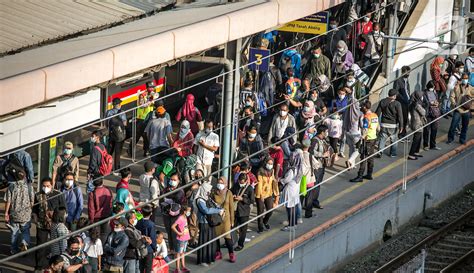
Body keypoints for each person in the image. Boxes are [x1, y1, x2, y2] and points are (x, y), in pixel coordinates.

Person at [32, 177, 66, 270]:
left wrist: (56, 216)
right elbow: (35, 208)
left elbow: (64, 209)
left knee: (57, 246)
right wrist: (34, 216)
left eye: (48, 186)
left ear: (52, 185)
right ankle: (38, 267)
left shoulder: (58, 194)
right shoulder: (38, 195)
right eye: (44, 186)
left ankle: (57, 266)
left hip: (55, 225)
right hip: (41, 225)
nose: (46, 187)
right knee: (40, 246)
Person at [4, 168, 34, 254]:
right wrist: (30, 210)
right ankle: (24, 243)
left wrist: (6, 213)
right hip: (26, 214)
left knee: (14, 232)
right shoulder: (29, 187)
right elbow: (32, 201)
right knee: (25, 231)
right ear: (24, 177)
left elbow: (8, 201)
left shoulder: (11, 187)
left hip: (14, 214)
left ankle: (13, 249)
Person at [194, 182, 224, 266]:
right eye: (207, 191)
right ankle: (202, 260)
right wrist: (218, 211)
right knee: (204, 241)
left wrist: (219, 208)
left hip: (210, 223)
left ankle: (209, 258)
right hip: (203, 223)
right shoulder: (200, 200)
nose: (209, 192)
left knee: (210, 241)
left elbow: (213, 206)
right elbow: (206, 210)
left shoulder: (207, 198)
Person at [350, 101, 379, 182]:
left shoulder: (366, 117)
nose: (360, 108)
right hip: (373, 138)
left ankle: (360, 176)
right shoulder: (375, 115)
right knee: (370, 157)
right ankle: (369, 174)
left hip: (367, 140)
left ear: (365, 107)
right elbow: (378, 128)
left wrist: (361, 139)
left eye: (361, 107)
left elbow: (365, 130)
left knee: (363, 158)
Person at [160, 174, 186, 254]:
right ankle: (171, 249)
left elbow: (179, 201)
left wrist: (170, 200)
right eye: (171, 179)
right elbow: (160, 200)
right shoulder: (165, 190)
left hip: (176, 215)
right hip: (166, 214)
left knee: (175, 233)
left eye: (175, 180)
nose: (172, 181)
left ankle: (176, 250)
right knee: (169, 232)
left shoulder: (180, 191)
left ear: (178, 181)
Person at [213, 177, 236, 263]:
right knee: (216, 237)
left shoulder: (228, 193)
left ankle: (231, 254)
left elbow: (231, 207)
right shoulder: (214, 192)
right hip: (217, 218)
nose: (220, 184)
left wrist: (232, 220)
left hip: (226, 219)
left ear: (225, 183)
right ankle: (218, 252)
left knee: (228, 238)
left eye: (222, 183)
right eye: (218, 182)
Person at [375, 89, 403, 158]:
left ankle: (380, 151)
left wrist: (375, 123)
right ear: (393, 96)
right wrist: (401, 126)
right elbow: (400, 116)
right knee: (394, 139)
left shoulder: (382, 101)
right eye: (395, 95)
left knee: (382, 138)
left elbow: (377, 113)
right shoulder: (397, 103)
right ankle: (393, 153)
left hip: (383, 124)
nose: (396, 96)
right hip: (393, 125)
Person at [448, 73, 473, 144]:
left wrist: (471, 107)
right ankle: (450, 139)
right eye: (464, 78)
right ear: (461, 79)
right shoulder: (456, 87)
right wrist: (454, 104)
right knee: (453, 125)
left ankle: (462, 140)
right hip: (458, 110)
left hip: (466, 111)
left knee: (465, 127)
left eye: (466, 78)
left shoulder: (470, 87)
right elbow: (451, 97)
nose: (465, 80)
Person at [255, 157, 279, 233]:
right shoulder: (260, 172)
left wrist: (276, 195)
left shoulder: (272, 171)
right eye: (269, 163)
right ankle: (260, 226)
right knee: (260, 211)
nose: (270, 165)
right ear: (265, 163)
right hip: (260, 194)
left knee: (270, 210)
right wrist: (261, 195)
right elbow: (259, 184)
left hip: (269, 193)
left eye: (271, 164)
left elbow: (273, 182)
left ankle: (265, 221)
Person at [232, 173, 255, 251]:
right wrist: (233, 196)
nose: (240, 183)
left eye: (242, 182)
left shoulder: (249, 189)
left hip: (244, 212)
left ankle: (240, 244)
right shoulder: (236, 185)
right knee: (232, 227)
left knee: (243, 229)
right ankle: (232, 241)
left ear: (245, 181)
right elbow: (231, 192)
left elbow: (252, 200)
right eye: (239, 181)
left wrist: (242, 199)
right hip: (235, 210)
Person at [129, 88, 154, 157]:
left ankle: (146, 151)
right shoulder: (141, 98)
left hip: (147, 120)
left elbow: (152, 105)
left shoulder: (150, 98)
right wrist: (149, 101)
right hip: (141, 120)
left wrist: (151, 99)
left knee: (146, 137)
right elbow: (142, 105)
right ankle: (130, 150)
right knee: (137, 136)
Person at [343, 87, 363, 169]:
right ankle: (350, 161)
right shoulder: (360, 113)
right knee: (358, 149)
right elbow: (361, 124)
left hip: (348, 132)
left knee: (351, 148)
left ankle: (351, 165)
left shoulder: (347, 111)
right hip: (356, 134)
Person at [309, 125, 329, 208]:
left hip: (322, 165)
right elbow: (311, 151)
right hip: (316, 166)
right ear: (322, 132)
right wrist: (322, 155)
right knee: (314, 185)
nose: (327, 133)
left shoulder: (323, 140)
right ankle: (310, 203)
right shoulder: (315, 140)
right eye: (326, 131)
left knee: (318, 184)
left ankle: (314, 200)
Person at [88, 178, 113, 244]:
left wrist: (91, 219)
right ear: (102, 181)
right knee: (104, 233)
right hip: (106, 215)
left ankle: (97, 249)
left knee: (97, 234)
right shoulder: (108, 190)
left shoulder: (92, 194)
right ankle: (102, 249)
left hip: (96, 218)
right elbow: (111, 203)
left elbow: (91, 209)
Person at [106, 98, 127, 173]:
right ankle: (117, 169)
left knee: (109, 152)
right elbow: (125, 124)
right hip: (120, 136)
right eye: (120, 104)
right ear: (118, 105)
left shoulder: (108, 112)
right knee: (117, 153)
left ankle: (107, 167)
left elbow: (106, 123)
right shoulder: (122, 112)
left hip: (111, 135)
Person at [300, 139, 319, 218]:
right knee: (309, 197)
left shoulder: (298, 154)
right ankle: (308, 213)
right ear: (309, 146)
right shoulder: (310, 156)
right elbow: (317, 165)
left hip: (300, 179)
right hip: (309, 179)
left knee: (300, 197)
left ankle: (297, 214)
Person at [171, 205, 192, 272]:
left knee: (183, 253)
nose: (189, 212)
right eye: (189, 211)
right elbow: (173, 226)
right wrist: (179, 233)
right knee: (178, 253)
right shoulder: (180, 218)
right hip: (181, 239)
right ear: (184, 211)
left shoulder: (185, 217)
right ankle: (177, 268)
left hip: (185, 238)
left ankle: (183, 266)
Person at [408, 91, 427, 160]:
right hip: (417, 123)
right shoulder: (417, 105)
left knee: (419, 137)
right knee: (416, 139)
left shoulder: (412, 103)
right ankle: (411, 154)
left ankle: (416, 151)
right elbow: (423, 112)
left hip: (414, 122)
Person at [423, 81, 442, 151]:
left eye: (433, 87)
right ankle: (425, 145)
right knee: (426, 130)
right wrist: (431, 103)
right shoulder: (424, 93)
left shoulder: (434, 92)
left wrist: (437, 103)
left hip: (435, 112)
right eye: (432, 87)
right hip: (428, 113)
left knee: (434, 129)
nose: (433, 88)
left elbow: (437, 99)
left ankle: (433, 145)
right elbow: (423, 103)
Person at [394, 66, 411, 138]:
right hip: (401, 102)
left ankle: (404, 133)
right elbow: (396, 92)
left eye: (409, 72)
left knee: (406, 118)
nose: (409, 74)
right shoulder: (398, 81)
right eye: (407, 72)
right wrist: (403, 99)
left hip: (407, 102)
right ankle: (401, 134)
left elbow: (407, 90)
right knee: (402, 118)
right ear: (403, 72)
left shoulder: (406, 80)